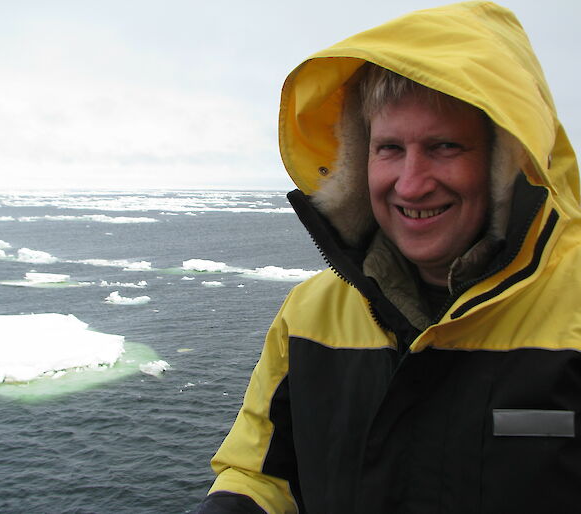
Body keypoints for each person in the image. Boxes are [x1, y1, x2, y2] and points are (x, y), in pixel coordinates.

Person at [196, 1, 581, 512]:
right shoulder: (310, 316)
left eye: (445, 146)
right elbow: (261, 475)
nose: (412, 183)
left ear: (504, 162)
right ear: (359, 161)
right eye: (389, 148)